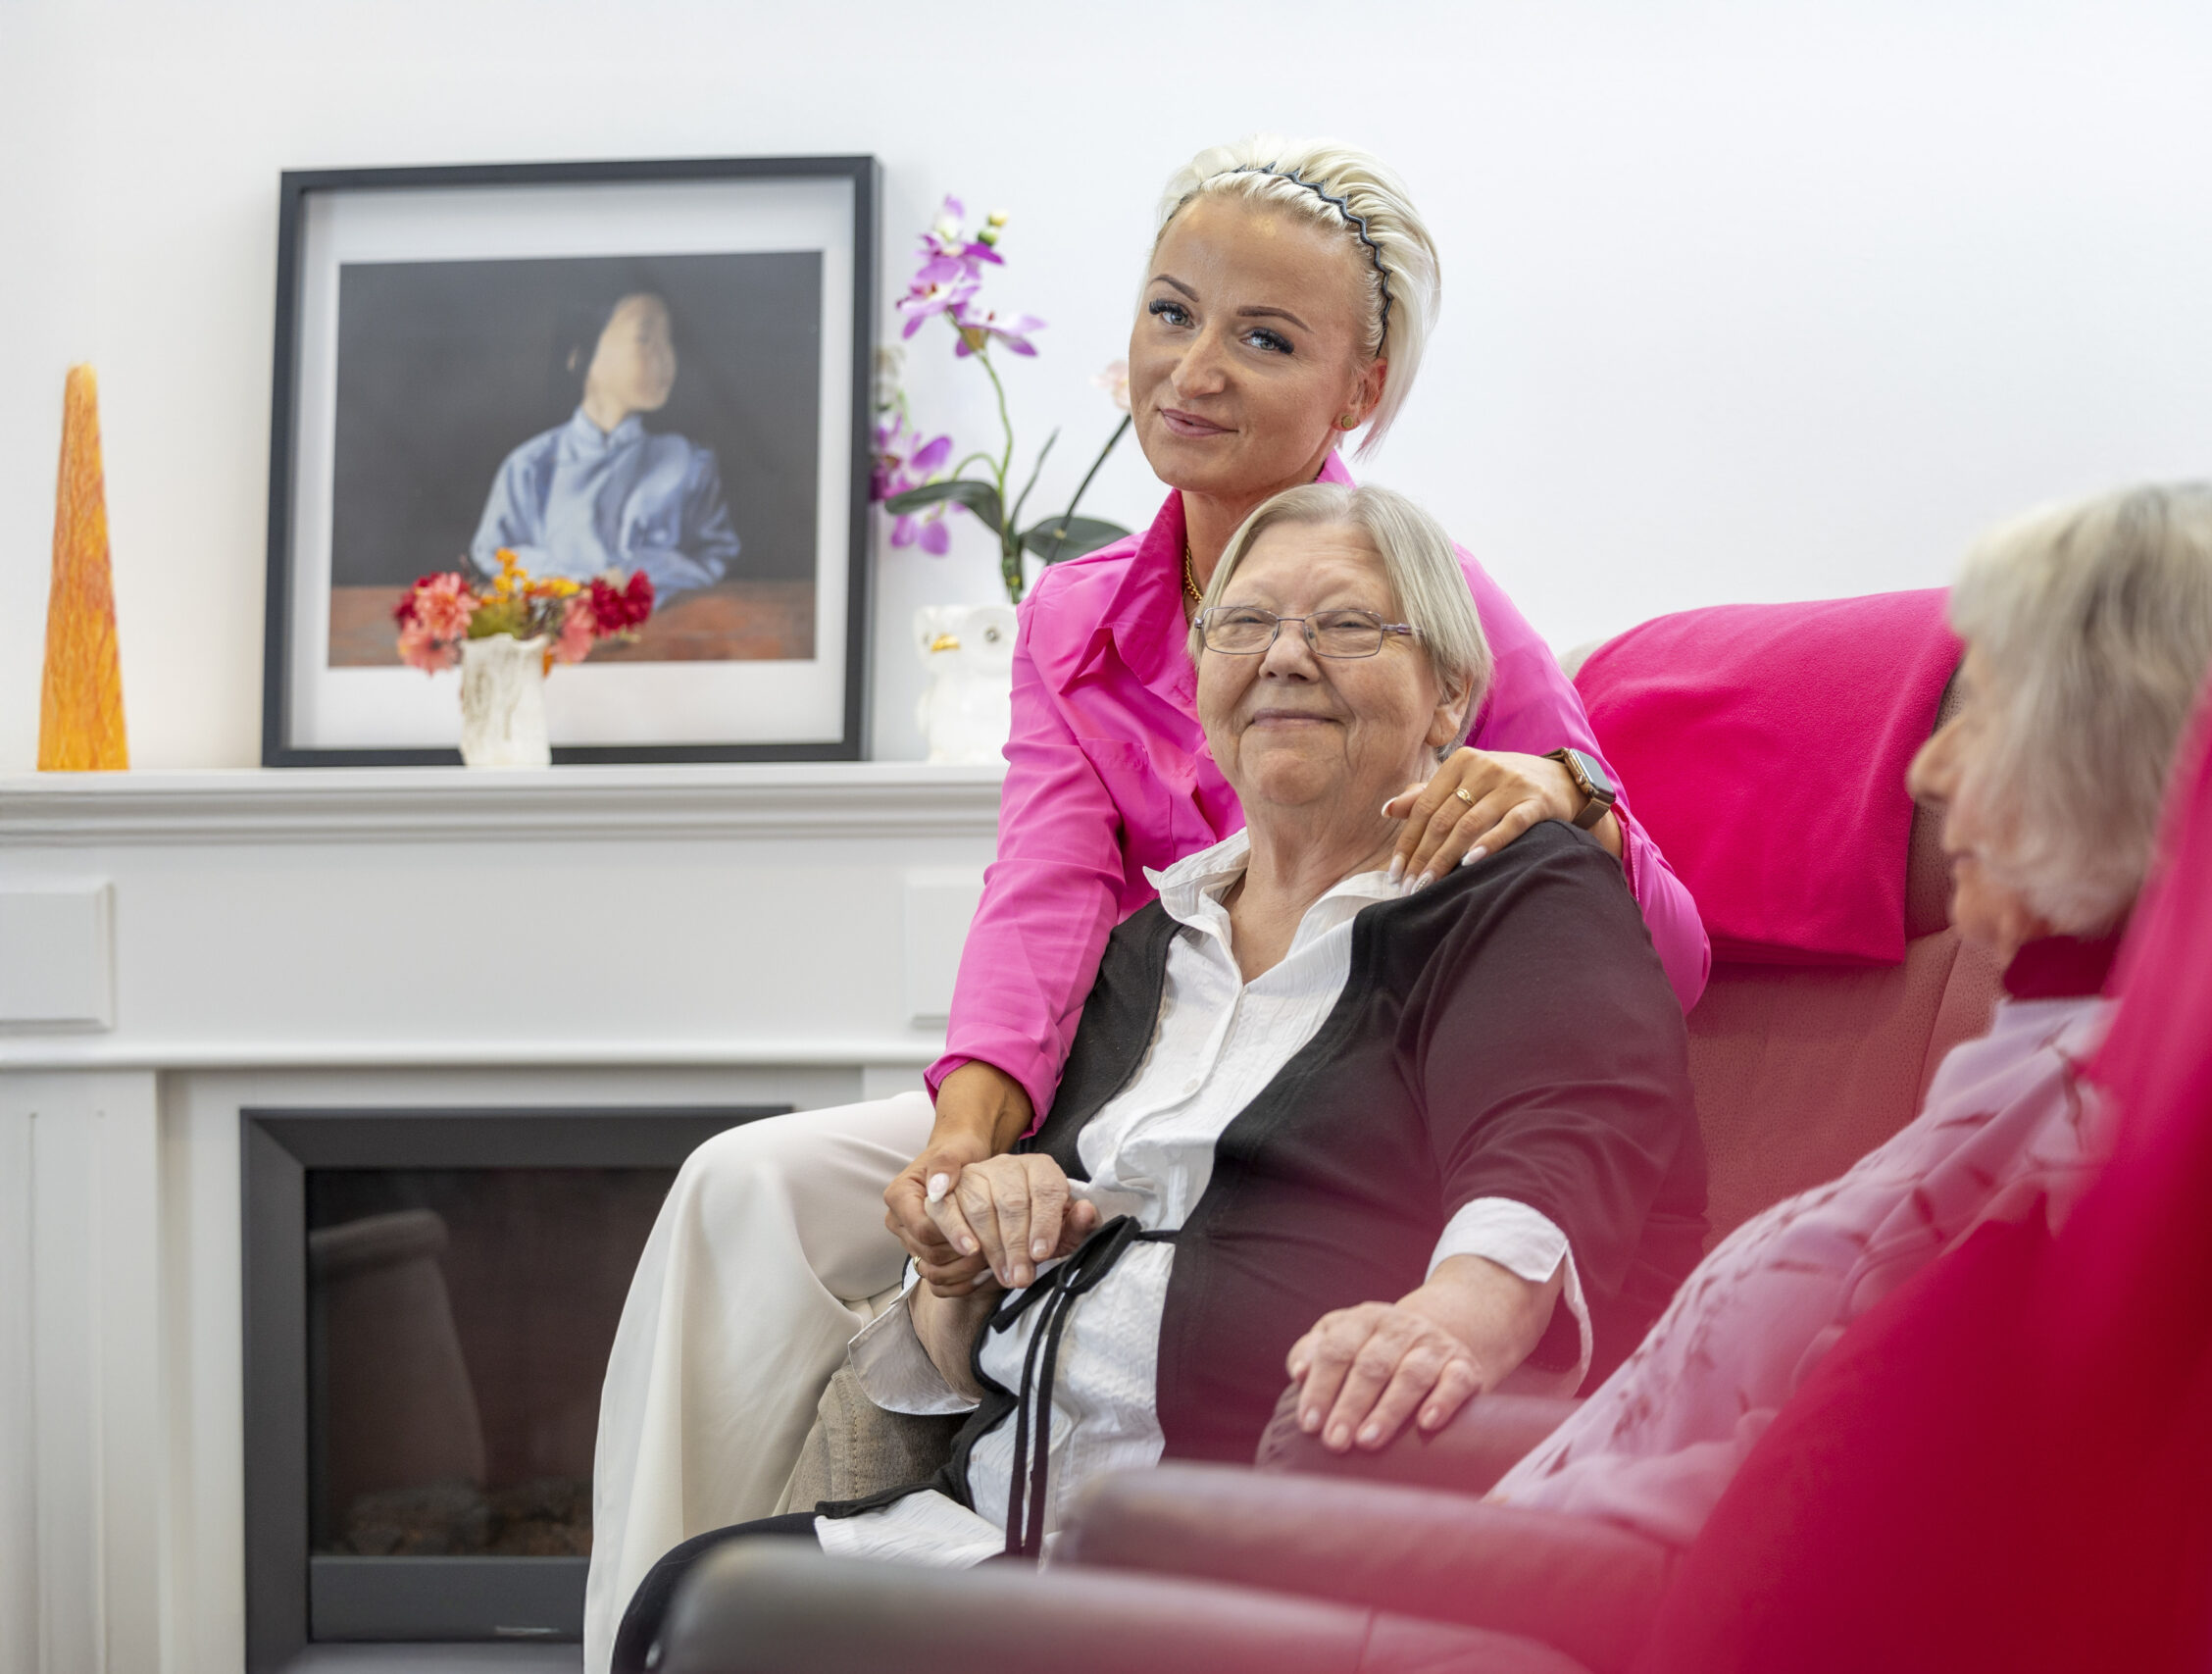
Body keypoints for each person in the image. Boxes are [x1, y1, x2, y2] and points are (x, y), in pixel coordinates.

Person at [581, 136, 1710, 1671]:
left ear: (1357, 389)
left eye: (1266, 337)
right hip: (1147, 1057)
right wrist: (969, 1144)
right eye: (1172, 314)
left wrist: (1568, 792)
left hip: (1338, 1075)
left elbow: (1628, 950)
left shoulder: (1418, 584)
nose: (1197, 367)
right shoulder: (1078, 611)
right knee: (747, 1187)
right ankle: (669, 1619)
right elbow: (1047, 887)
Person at [1485, 482, 2212, 1555]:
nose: (1923, 770)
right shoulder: (2040, 1066)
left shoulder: (2084, 1146)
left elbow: (1779, 1542)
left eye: (1982, 715)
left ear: (2116, 749)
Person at [472, 290, 739, 603]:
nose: (665, 356)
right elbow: (494, 552)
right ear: (582, 357)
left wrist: (638, 572)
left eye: (668, 341)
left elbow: (715, 555)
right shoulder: (532, 464)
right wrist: (575, 580)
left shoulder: (688, 463)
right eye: (645, 338)